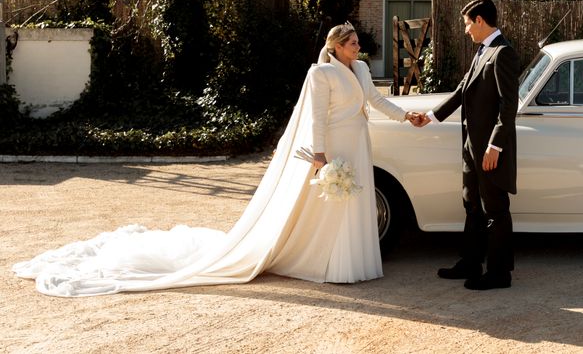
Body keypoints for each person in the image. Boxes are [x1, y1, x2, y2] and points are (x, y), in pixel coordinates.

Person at [13, 23, 414, 296]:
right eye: (352, 42)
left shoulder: (361, 69)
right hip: (336, 146)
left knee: (356, 199)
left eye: (358, 42)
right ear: (335, 46)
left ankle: (360, 262)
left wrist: (406, 114)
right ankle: (333, 264)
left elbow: (375, 101)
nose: (358, 46)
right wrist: (321, 155)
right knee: (332, 205)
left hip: (359, 142)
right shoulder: (320, 74)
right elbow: (314, 118)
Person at [410, 0, 519, 290]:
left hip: (489, 150)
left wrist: (495, 147)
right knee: (471, 204)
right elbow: (462, 91)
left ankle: (499, 274)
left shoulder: (502, 53)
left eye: (468, 24)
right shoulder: (483, 51)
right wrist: (430, 117)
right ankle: (470, 262)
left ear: (480, 20)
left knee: (495, 208)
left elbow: (509, 106)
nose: (466, 30)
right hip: (472, 147)